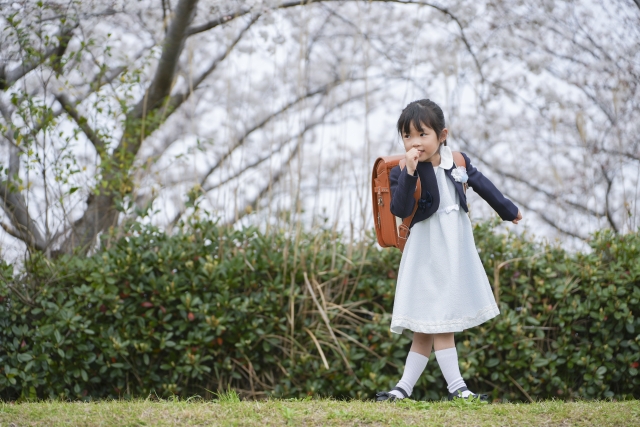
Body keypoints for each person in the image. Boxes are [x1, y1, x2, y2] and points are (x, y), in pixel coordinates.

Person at [375, 99, 522, 402]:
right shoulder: (402, 168)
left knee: (428, 322)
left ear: (442, 135)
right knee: (437, 315)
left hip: (454, 247)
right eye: (407, 136)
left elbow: (484, 186)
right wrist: (410, 172)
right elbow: (399, 208)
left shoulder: (457, 160)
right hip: (425, 250)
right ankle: (458, 388)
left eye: (422, 134)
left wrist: (509, 211)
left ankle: (403, 388)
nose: (414, 142)